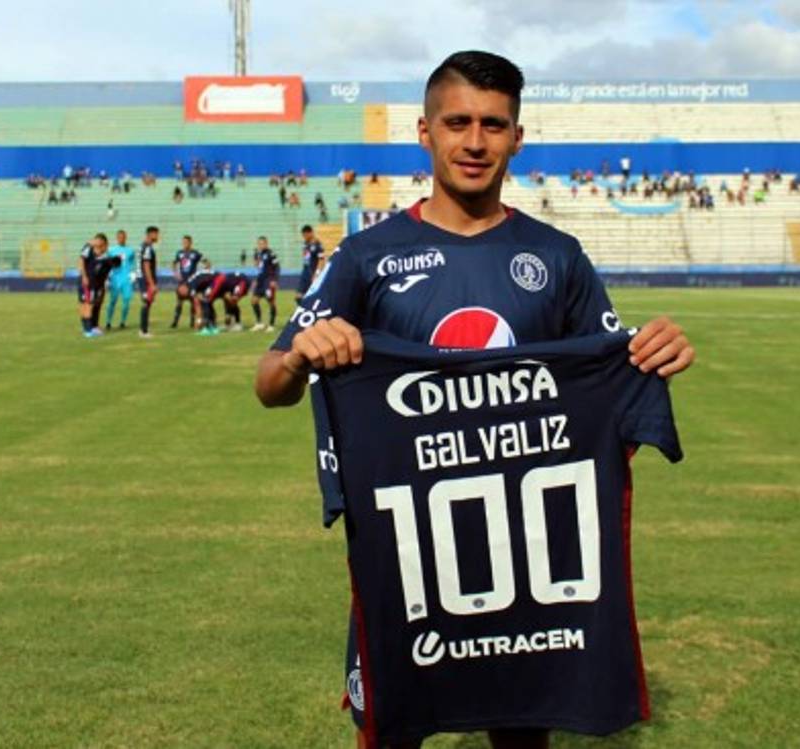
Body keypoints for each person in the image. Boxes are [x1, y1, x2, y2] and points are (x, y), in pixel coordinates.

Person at [255, 50, 693, 749]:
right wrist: (304, 353)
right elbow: (269, 382)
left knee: (521, 738)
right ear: (424, 132)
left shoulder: (557, 257)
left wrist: (653, 356)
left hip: (527, 561)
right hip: (404, 556)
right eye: (457, 122)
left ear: (518, 137)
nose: (475, 141)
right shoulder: (366, 256)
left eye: (494, 124)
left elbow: (608, 380)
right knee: (392, 731)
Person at [76, 233, 119, 337]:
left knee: (91, 304)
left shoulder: (105, 255)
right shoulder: (88, 249)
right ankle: (88, 330)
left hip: (96, 284)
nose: (98, 246)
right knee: (87, 305)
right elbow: (81, 260)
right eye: (96, 243)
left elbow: (107, 268)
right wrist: (84, 276)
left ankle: (91, 327)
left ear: (105, 244)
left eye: (100, 244)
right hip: (88, 283)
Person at [104, 230, 135, 330]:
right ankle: (108, 322)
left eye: (123, 237)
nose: (121, 238)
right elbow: (107, 264)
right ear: (117, 238)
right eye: (119, 237)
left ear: (126, 237)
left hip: (126, 279)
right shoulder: (111, 251)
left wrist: (133, 274)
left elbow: (133, 263)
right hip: (115, 279)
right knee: (112, 301)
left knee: (126, 301)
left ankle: (122, 322)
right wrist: (107, 278)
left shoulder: (130, 251)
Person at [171, 235, 203, 329]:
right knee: (179, 301)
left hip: (192, 281)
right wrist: (176, 273)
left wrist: (203, 271)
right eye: (183, 242)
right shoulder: (179, 253)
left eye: (186, 242)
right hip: (182, 281)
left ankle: (192, 322)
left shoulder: (195, 253)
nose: (184, 244)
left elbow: (205, 261)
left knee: (193, 301)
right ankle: (175, 321)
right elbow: (174, 263)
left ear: (190, 243)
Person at [250, 235, 280, 331]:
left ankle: (271, 324)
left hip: (269, 280)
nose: (260, 245)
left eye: (262, 243)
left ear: (266, 243)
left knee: (271, 302)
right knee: (254, 300)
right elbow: (258, 267)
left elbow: (277, 267)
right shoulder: (258, 254)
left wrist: (274, 280)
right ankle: (259, 323)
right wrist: (256, 279)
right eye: (259, 243)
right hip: (260, 280)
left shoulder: (271, 254)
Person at [138, 225, 160, 338]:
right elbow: (146, 266)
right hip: (145, 280)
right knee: (146, 303)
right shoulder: (147, 248)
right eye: (156, 234)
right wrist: (151, 283)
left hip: (143, 278)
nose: (158, 236)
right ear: (151, 234)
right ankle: (143, 331)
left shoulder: (143, 246)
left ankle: (144, 329)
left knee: (148, 303)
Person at [295, 224, 323, 302]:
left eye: (305, 235)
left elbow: (321, 260)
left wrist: (317, 273)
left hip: (313, 273)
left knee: (314, 297)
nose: (304, 236)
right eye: (303, 235)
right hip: (305, 272)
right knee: (298, 297)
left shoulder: (317, 244)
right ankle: (305, 312)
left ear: (310, 233)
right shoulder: (305, 244)